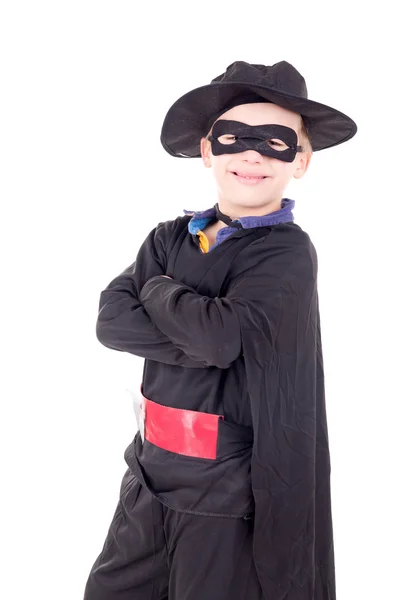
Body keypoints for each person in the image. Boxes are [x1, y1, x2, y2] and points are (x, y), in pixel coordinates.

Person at [83, 60, 357, 600]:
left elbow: (216, 341)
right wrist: (203, 331)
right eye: (234, 138)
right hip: (148, 476)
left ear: (300, 160)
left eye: (276, 141)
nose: (252, 154)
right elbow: (111, 321)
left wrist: (159, 292)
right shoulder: (167, 239)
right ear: (208, 150)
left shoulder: (285, 254)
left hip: (224, 498)